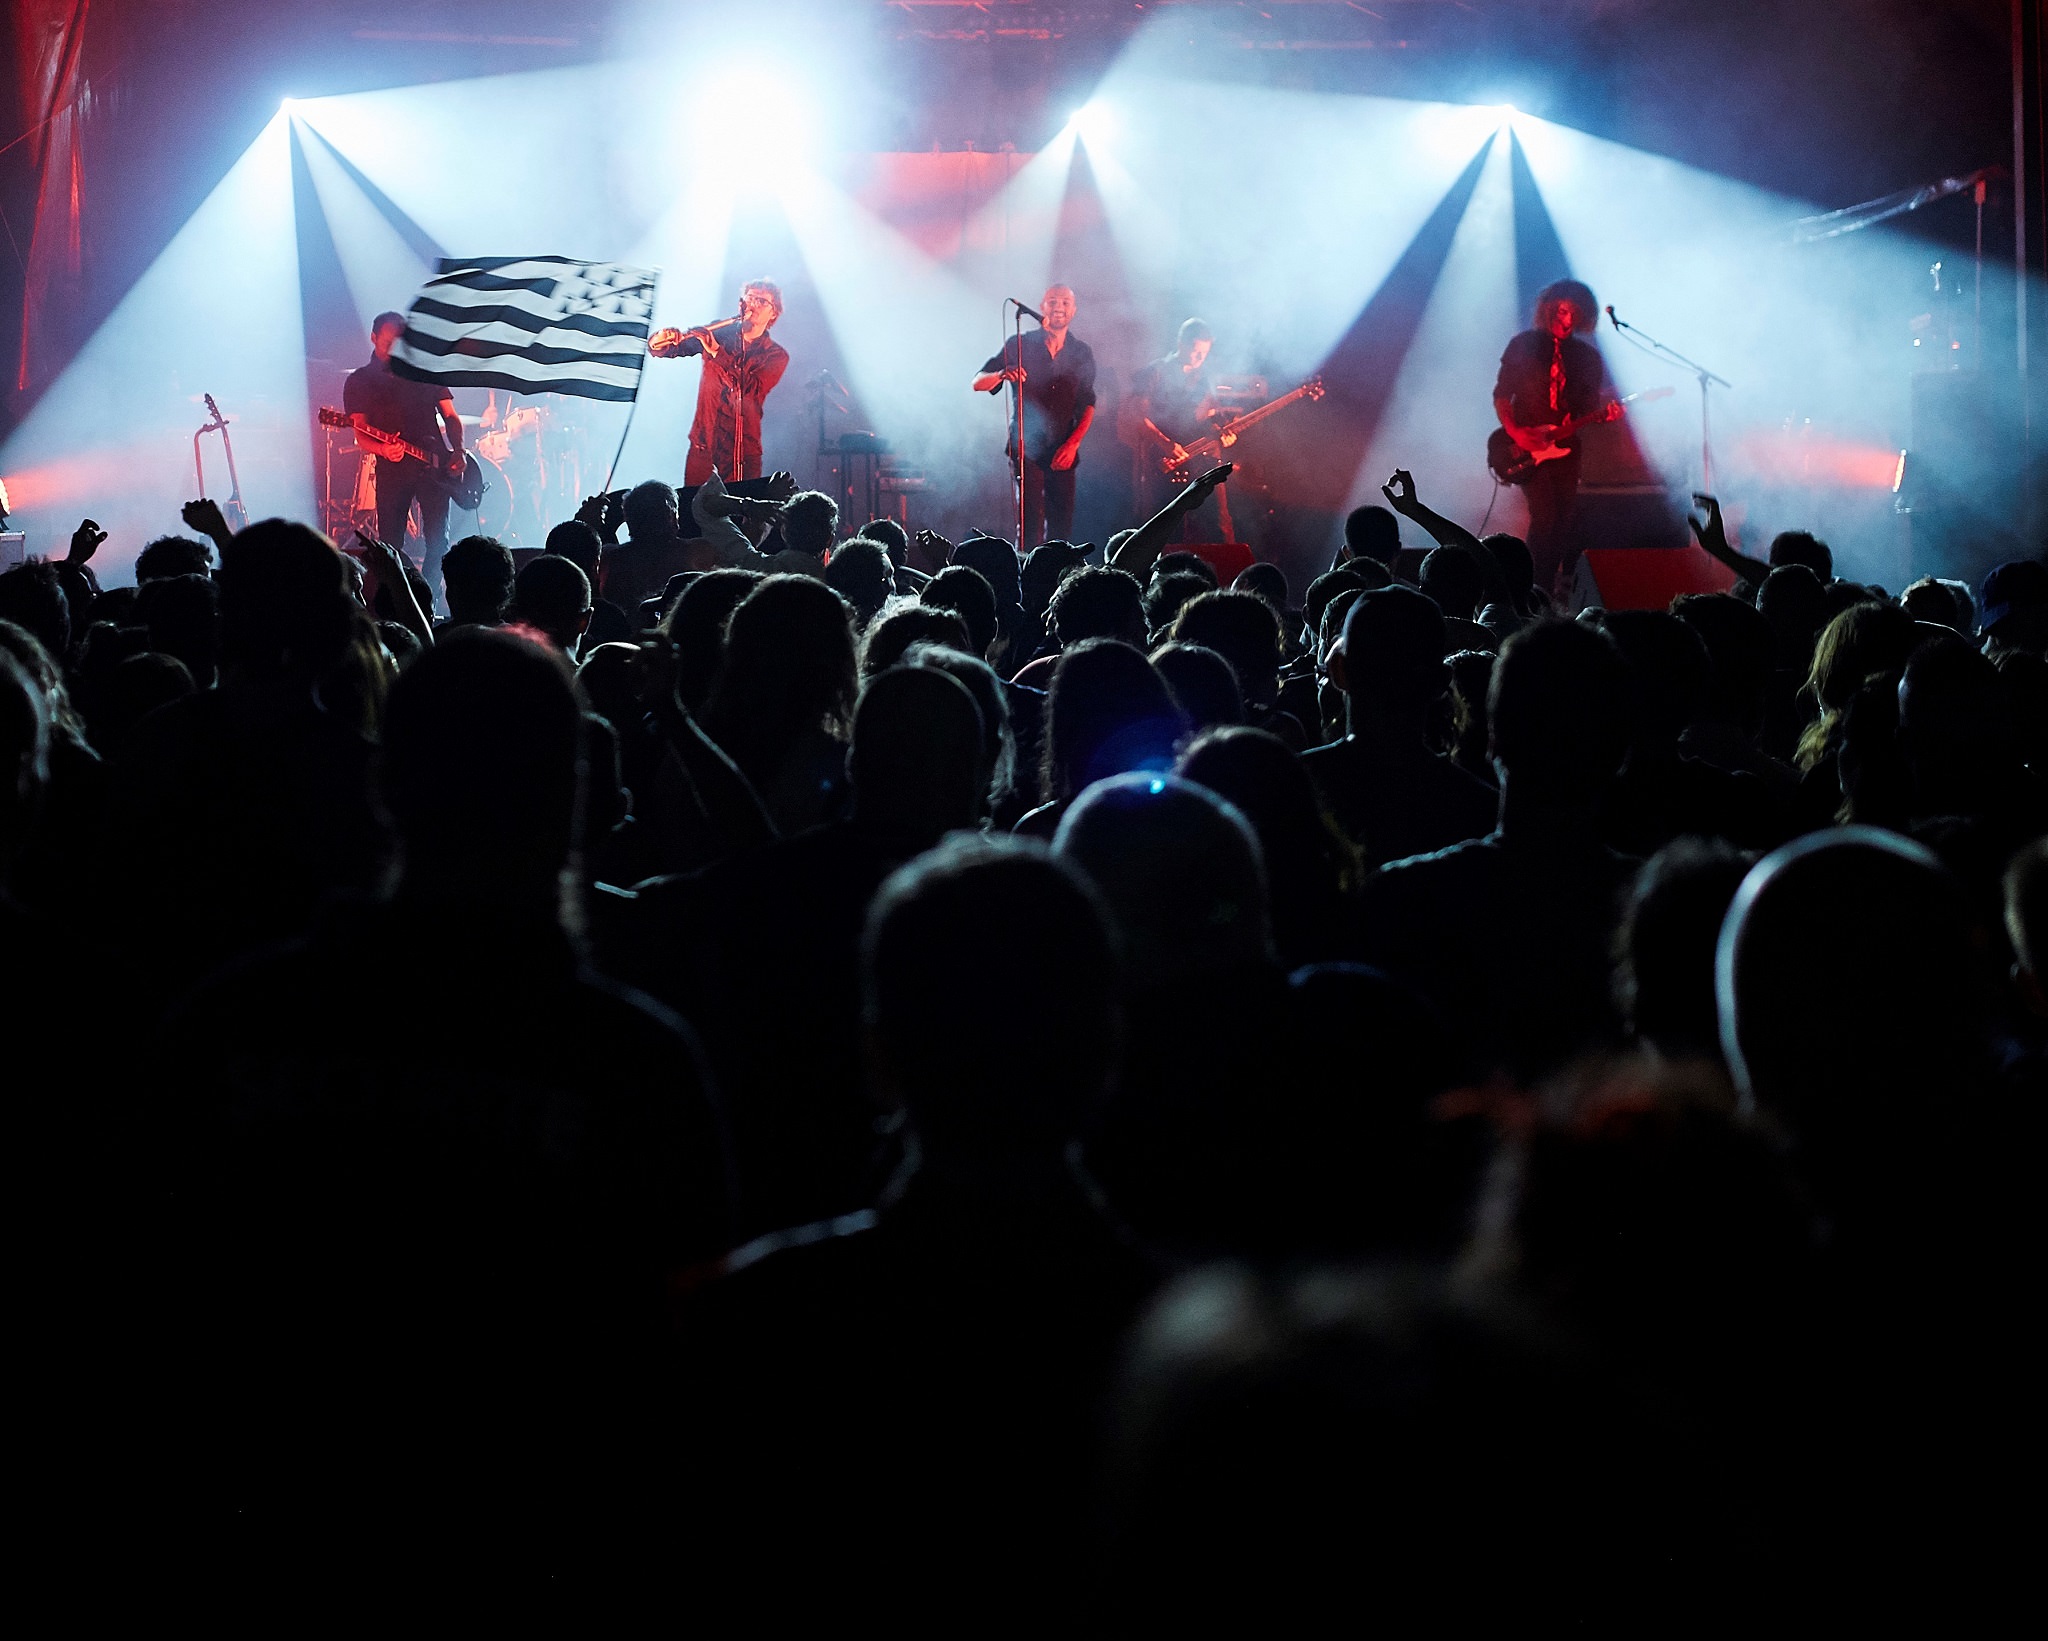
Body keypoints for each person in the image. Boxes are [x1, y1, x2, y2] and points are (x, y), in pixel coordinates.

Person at [1493, 279, 1608, 599]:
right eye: (1561, 311)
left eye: (1575, 313)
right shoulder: (1523, 345)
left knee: (1563, 523)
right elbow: (1502, 395)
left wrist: (1599, 415)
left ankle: (1542, 591)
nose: (1567, 319)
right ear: (1547, 309)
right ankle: (1530, 590)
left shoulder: (1587, 357)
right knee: (1545, 518)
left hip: (1566, 448)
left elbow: (1588, 407)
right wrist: (1517, 433)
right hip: (1527, 446)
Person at [342, 311, 464, 603]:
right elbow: (360, 434)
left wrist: (457, 449)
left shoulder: (425, 371)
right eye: (387, 342)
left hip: (436, 467)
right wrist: (384, 449)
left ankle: (430, 601)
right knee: (391, 544)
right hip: (393, 470)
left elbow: (451, 417)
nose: (394, 348)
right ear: (373, 338)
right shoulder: (360, 381)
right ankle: (395, 603)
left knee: (439, 542)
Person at [972, 283, 1098, 546]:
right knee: (1029, 523)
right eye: (1052, 301)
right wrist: (1002, 374)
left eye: (1064, 302)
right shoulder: (1020, 344)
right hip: (1025, 446)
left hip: (1063, 447)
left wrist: (1073, 444)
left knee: (1061, 528)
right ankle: (1028, 579)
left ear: (1073, 310)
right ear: (1042, 307)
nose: (1058, 307)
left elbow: (1088, 403)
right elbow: (978, 382)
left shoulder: (1081, 352)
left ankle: (1058, 581)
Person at [649, 280, 791, 484]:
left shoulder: (776, 355)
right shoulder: (719, 333)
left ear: (774, 313)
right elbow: (673, 349)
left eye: (761, 301)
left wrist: (716, 351)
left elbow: (749, 389)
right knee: (694, 511)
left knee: (737, 515)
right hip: (703, 448)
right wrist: (660, 340)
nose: (753, 304)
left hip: (741, 454)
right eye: (750, 297)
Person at [1124, 318, 1234, 539]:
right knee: (1166, 523)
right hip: (1166, 459)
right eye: (1196, 351)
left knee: (1217, 521)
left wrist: (1225, 433)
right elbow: (1136, 414)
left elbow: (1212, 417)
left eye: (1205, 352)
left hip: (1204, 459)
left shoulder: (1205, 378)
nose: (1200, 358)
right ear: (1181, 343)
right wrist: (1165, 443)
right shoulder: (1155, 371)